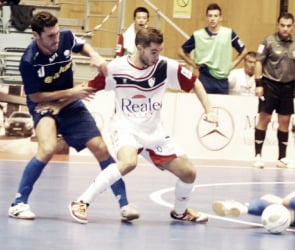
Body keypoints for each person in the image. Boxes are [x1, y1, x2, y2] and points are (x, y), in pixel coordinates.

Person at [69, 27, 217, 224]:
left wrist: (210, 110)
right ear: (140, 48)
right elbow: (89, 87)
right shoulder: (116, 68)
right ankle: (81, 202)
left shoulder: (165, 67)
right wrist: (60, 100)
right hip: (125, 127)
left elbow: (195, 83)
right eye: (154, 51)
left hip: (154, 132)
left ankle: (180, 212)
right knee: (128, 162)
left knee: (189, 173)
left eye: (160, 51)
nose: (157, 56)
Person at [8, 11, 133, 221]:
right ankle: (19, 203)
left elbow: (81, 45)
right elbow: (36, 96)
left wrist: (94, 55)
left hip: (71, 104)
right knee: (47, 148)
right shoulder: (29, 61)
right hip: (44, 104)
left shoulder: (64, 37)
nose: (56, 39)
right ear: (35, 35)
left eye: (56, 34)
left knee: (101, 148)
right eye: (50, 36)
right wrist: (72, 93)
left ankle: (125, 204)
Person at [253, 12, 295, 168]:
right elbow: (258, 62)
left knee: (285, 122)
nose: (285, 28)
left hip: (288, 86)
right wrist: (258, 84)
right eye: (282, 25)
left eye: (289, 26)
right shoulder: (267, 42)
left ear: (292, 26)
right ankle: (258, 155)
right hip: (269, 85)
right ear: (278, 25)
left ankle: (282, 157)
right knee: (264, 119)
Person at [178, 3, 246, 95]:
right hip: (205, 77)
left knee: (221, 107)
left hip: (222, 79)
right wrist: (193, 64)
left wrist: (232, 64)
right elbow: (181, 51)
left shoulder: (229, 33)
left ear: (220, 18)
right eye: (210, 16)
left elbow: (244, 51)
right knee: (203, 106)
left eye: (215, 16)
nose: (212, 18)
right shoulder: (198, 35)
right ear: (206, 18)